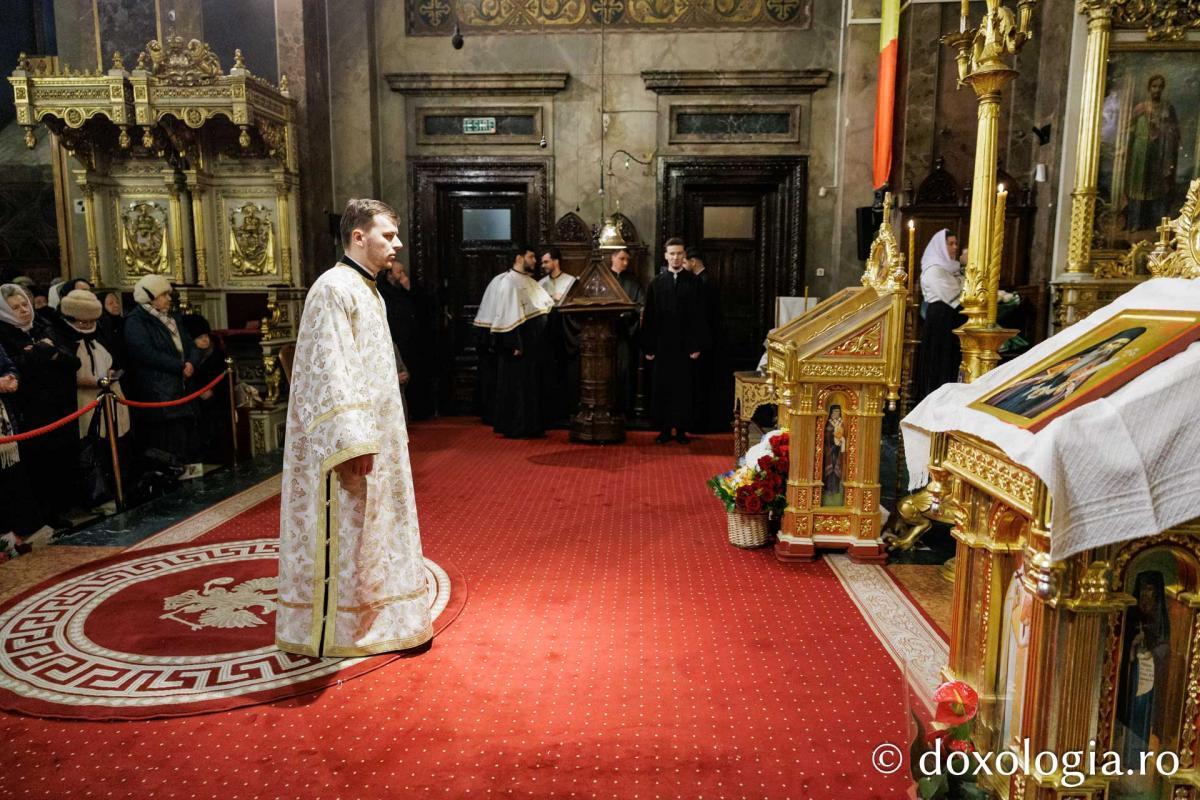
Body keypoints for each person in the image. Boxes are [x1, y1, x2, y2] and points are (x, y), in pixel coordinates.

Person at [276, 198, 432, 658]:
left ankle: (383, 617)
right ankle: (342, 629)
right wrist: (352, 441)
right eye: (389, 235)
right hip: (350, 443)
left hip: (378, 435)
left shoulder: (369, 289)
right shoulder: (333, 288)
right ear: (358, 237)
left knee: (375, 532)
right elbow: (330, 371)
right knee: (347, 532)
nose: (397, 245)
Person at [0, 284, 80, 529]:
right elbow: (17, 367)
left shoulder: (43, 326)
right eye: (16, 307)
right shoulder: (4, 333)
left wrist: (49, 353)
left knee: (60, 460)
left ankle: (59, 509)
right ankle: (44, 515)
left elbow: (72, 361)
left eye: (25, 304)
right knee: (38, 464)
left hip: (59, 406)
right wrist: (39, 353)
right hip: (29, 411)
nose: (24, 310)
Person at [474, 245, 554, 438]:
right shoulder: (508, 282)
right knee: (517, 388)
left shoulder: (528, 281)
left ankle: (532, 425)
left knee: (531, 386)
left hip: (532, 345)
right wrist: (514, 343)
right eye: (531, 256)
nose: (535, 261)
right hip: (518, 347)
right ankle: (517, 426)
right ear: (519, 258)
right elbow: (507, 315)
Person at [983, 327, 1144, 419]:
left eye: (1117, 346)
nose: (1110, 347)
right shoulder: (1083, 356)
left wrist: (1068, 383)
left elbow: (1081, 380)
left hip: (1055, 390)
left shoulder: (1100, 362)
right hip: (1044, 382)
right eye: (1112, 343)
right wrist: (1052, 376)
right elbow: (1057, 368)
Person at [123, 274, 200, 465]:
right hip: (158, 390)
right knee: (166, 439)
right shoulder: (136, 321)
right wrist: (179, 366)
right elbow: (146, 353)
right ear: (151, 298)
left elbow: (190, 344)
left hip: (181, 386)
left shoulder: (171, 318)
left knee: (184, 435)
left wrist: (191, 362)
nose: (168, 298)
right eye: (164, 295)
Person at [642, 237, 708, 444]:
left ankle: (680, 430)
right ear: (666, 256)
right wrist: (649, 347)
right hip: (662, 345)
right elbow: (649, 316)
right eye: (672, 253)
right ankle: (663, 429)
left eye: (679, 253)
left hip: (685, 345)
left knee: (683, 388)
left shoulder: (694, 282)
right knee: (662, 388)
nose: (676, 257)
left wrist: (696, 345)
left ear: (684, 256)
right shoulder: (656, 283)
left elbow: (700, 316)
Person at [913, 229, 967, 404]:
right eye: (950, 244)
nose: (955, 247)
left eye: (956, 243)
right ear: (940, 247)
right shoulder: (933, 269)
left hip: (951, 318)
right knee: (939, 360)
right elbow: (956, 295)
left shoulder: (952, 269)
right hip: (940, 319)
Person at [0, 342, 46, 540]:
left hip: (4, 423)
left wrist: (11, 378)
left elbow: (9, 366)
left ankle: (23, 534)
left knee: (13, 478)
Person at [1125, 74, 1180, 233]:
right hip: (1139, 153)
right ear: (1149, 88)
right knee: (1138, 187)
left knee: (1157, 187)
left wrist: (1162, 130)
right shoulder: (1140, 108)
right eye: (1154, 86)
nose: (1157, 89)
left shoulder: (1167, 108)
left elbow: (1174, 131)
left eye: (1160, 86)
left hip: (1159, 154)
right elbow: (1129, 130)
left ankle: (1156, 224)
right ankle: (1135, 222)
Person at [538, 246, 578, 427]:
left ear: (556, 261)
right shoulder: (540, 283)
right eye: (542, 262)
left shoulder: (570, 281)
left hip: (567, 332)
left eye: (546, 261)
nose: (543, 265)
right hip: (547, 332)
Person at [182, 313, 229, 464]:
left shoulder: (218, 354)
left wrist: (212, 391)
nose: (205, 340)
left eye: (206, 336)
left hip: (217, 400)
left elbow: (225, 380)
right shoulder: (189, 360)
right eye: (200, 337)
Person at [688, 250, 724, 432]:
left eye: (685, 261)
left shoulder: (704, 282)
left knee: (703, 383)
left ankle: (702, 423)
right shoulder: (704, 279)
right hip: (708, 339)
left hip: (706, 341)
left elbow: (702, 316)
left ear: (693, 261)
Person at [610, 248, 644, 415]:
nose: (625, 262)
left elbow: (641, 305)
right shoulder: (605, 278)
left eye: (627, 259)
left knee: (624, 371)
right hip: (605, 332)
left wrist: (627, 313)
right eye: (622, 258)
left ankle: (624, 409)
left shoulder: (632, 281)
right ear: (612, 257)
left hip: (625, 332)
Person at [821, 405, 845, 506]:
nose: (836, 413)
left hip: (838, 450)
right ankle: (828, 489)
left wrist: (841, 439)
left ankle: (835, 489)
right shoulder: (828, 423)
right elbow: (825, 434)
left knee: (836, 468)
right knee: (829, 469)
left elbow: (844, 434)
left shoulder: (841, 422)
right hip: (829, 449)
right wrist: (832, 435)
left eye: (838, 412)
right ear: (831, 412)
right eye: (835, 411)